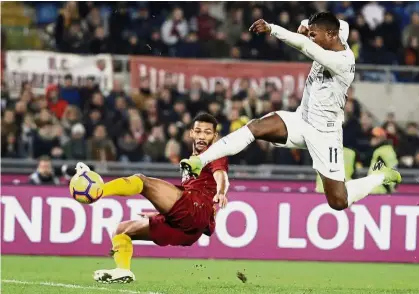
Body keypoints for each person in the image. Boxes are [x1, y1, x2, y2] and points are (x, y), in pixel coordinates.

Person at [181, 12, 401, 212]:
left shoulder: (341, 61)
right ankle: (199, 161)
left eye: (316, 35)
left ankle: (381, 176)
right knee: (256, 126)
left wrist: (273, 28)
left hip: (325, 134)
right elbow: (327, 24)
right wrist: (306, 25)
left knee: (338, 201)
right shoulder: (337, 30)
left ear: (332, 35)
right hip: (301, 120)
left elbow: (306, 46)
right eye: (312, 35)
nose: (313, 38)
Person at [76, 113, 229, 284]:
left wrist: (221, 191)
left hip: (195, 208)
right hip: (188, 228)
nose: (202, 136)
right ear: (191, 133)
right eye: (198, 131)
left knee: (142, 181)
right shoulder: (192, 160)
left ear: (215, 136)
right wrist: (159, 214)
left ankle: (99, 190)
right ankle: (122, 270)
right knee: (121, 231)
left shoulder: (215, 153)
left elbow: (220, 174)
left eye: (207, 132)